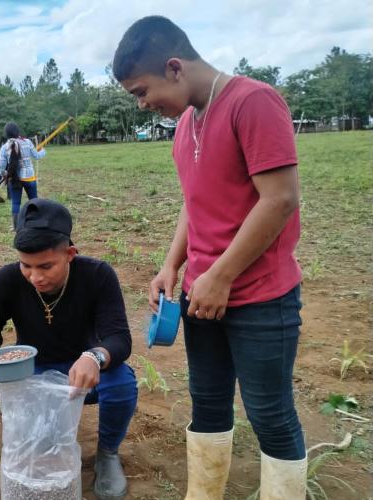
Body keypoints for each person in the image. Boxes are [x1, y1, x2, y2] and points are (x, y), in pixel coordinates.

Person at [113, 16, 305, 499]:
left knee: (269, 412)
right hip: (202, 295)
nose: (142, 104)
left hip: (261, 296)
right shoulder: (186, 126)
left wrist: (222, 275)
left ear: (174, 67)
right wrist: (170, 266)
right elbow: (194, 202)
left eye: (142, 90)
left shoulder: (252, 102)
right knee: (208, 404)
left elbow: (279, 199)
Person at [0, 198, 137, 500]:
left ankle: (107, 454)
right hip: (31, 373)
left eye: (46, 266)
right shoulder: (8, 279)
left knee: (122, 382)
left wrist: (94, 356)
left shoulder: (98, 276)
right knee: (42, 444)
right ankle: (45, 434)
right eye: (27, 265)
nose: (35, 277)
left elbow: (119, 338)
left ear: (70, 254)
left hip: (82, 373)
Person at [0, 122, 46, 229]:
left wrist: (4, 174)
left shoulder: (5, 147)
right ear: (17, 131)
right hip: (29, 177)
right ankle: (35, 223)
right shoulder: (27, 142)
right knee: (33, 200)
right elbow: (37, 156)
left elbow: (1, 166)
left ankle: (15, 226)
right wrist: (43, 151)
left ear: (6, 134)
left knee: (16, 203)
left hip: (14, 178)